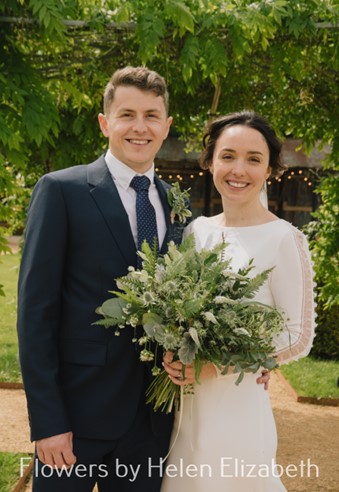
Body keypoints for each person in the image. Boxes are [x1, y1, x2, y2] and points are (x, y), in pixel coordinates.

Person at [17, 66, 180, 492]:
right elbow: (35, 314)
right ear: (106, 123)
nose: (139, 127)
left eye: (151, 115)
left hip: (150, 425)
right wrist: (48, 422)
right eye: (127, 114)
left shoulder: (174, 202)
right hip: (74, 421)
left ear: (167, 126)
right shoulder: (61, 191)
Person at [161, 110, 316, 492]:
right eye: (228, 156)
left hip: (240, 410)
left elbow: (297, 336)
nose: (238, 169)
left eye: (253, 159)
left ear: (269, 170)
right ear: (210, 161)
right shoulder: (197, 231)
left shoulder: (284, 238)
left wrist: (221, 366)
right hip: (186, 411)